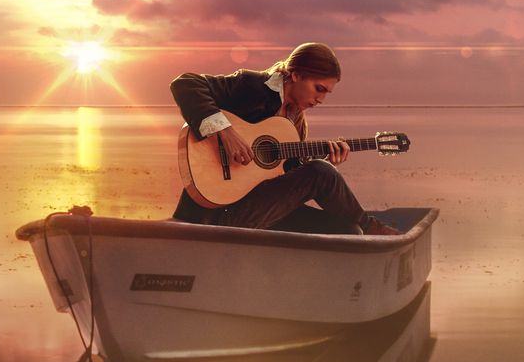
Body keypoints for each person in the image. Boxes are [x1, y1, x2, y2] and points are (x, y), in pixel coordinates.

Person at [170, 42, 399, 235]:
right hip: (215, 213)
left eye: (326, 93)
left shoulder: (293, 121)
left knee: (347, 230)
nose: (321, 99)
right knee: (321, 173)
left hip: (256, 208)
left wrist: (320, 161)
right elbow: (185, 84)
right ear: (296, 74)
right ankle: (372, 227)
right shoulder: (251, 87)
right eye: (318, 88)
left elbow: (280, 175)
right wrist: (225, 132)